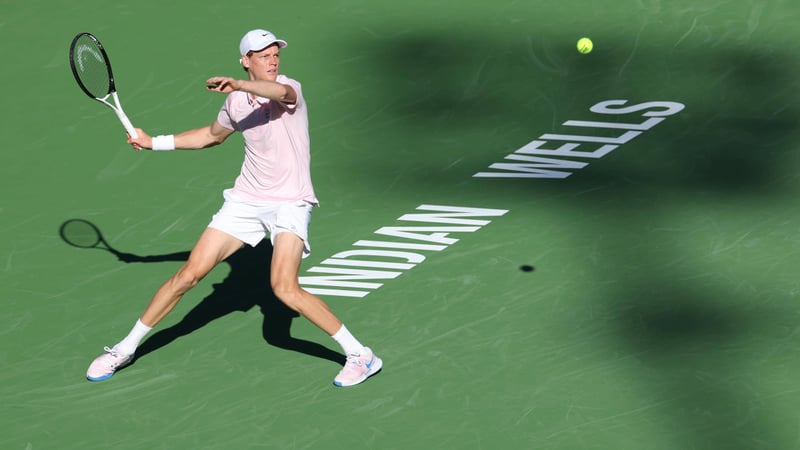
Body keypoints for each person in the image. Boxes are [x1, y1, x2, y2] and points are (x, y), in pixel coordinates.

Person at [86, 29, 382, 387]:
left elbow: (279, 93)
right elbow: (211, 136)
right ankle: (124, 349)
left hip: (291, 201)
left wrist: (239, 84)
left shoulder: (289, 89)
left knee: (284, 289)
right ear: (245, 60)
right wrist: (153, 142)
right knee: (188, 275)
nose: (272, 61)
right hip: (246, 200)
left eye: (275, 54)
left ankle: (361, 356)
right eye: (263, 55)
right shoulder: (236, 103)